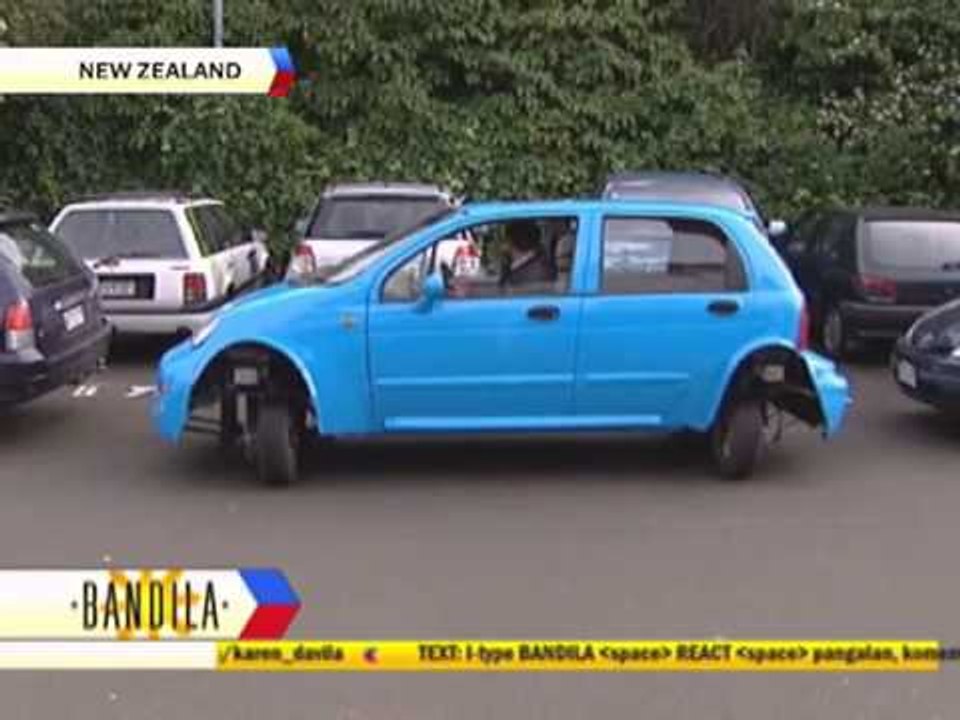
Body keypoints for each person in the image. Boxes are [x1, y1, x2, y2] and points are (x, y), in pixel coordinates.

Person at [500, 220, 554, 290]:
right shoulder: (541, 261)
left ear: (510, 242)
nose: (503, 246)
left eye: (505, 240)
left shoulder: (528, 274)